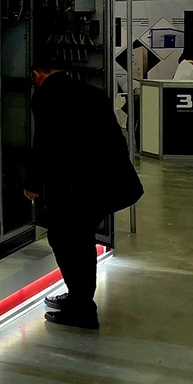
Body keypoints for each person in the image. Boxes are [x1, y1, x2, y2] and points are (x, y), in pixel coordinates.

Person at [25, 67, 143, 331]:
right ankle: (79, 299)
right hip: (108, 181)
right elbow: (116, 137)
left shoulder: (46, 97)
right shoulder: (92, 92)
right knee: (79, 239)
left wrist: (33, 181)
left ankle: (82, 310)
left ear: (37, 74)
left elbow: (44, 142)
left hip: (79, 186)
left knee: (66, 239)